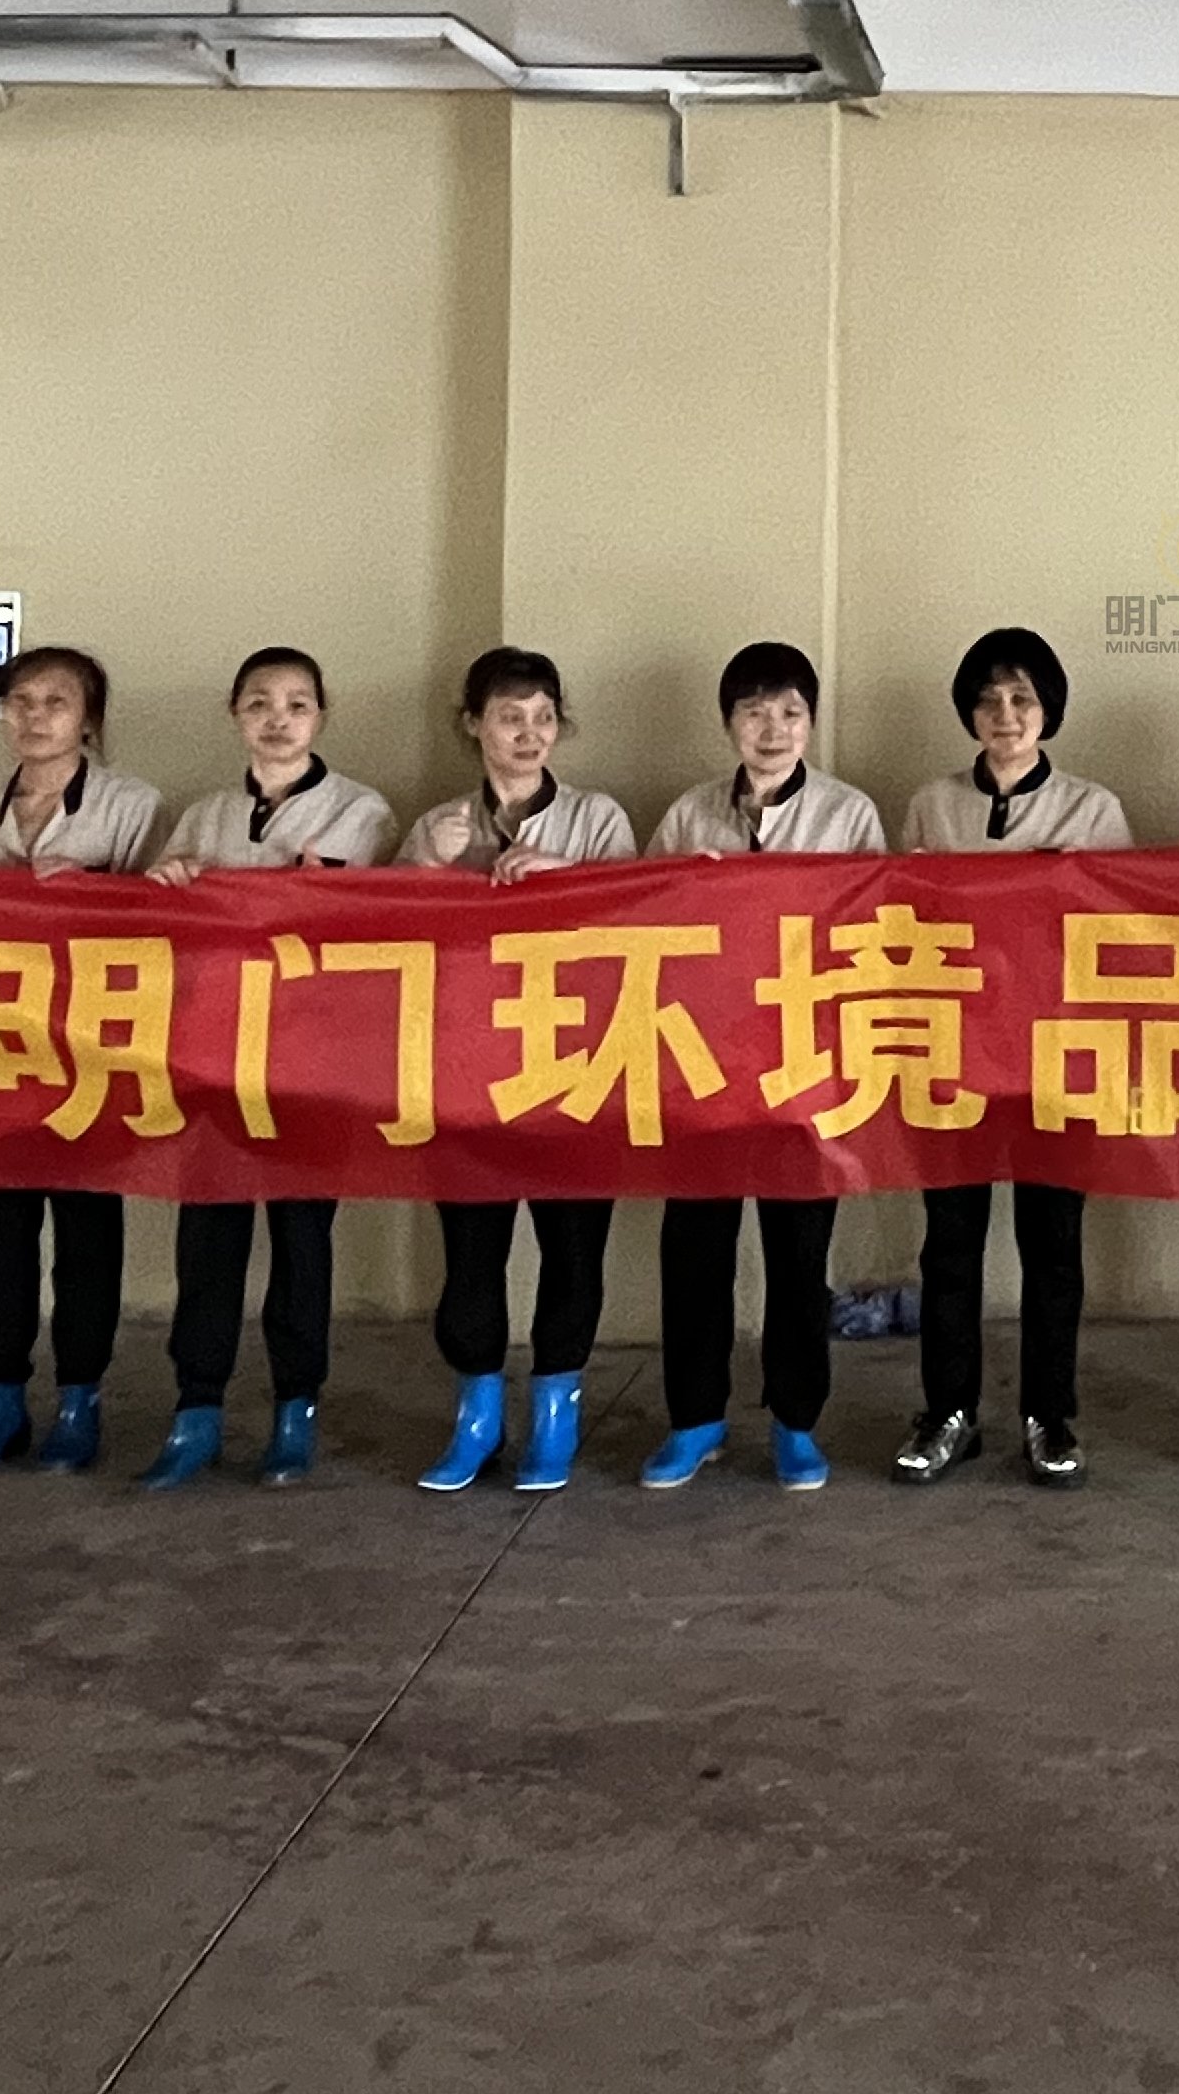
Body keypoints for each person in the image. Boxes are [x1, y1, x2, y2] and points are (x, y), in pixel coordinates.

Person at [134, 648, 395, 1494]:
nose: (278, 720)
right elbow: (165, 929)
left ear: (321, 715)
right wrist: (170, 882)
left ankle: (295, 1409)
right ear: (235, 714)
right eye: (259, 703)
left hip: (312, 1059)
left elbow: (365, 923)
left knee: (301, 1239)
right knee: (208, 1237)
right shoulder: (203, 816)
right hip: (212, 1055)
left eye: (296, 704)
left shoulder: (361, 811)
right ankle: (196, 1409)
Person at [642, 641, 885, 1492]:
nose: (772, 729)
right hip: (702, 1064)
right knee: (694, 1249)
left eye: (789, 712)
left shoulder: (850, 815)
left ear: (811, 723)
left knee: (798, 1251)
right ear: (728, 724)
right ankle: (695, 1420)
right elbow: (640, 928)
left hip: (804, 1067)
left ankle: (795, 1421)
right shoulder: (688, 816)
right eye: (754, 712)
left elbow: (873, 931)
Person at [893, 626, 1132, 1490]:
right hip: (952, 1054)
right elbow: (903, 921)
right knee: (949, 1244)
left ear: (1049, 711)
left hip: (1056, 1058)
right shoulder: (932, 805)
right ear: (969, 712)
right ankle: (949, 1411)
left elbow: (1119, 934)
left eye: (1023, 698)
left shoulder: (1094, 810)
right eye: (989, 699)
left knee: (1052, 1244)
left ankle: (1049, 1414)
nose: (1006, 714)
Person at [398, 647, 639, 1494]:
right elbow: (387, 940)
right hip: (468, 1069)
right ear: (474, 725)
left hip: (579, 1066)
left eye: (543, 718)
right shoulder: (435, 827)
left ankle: (557, 1413)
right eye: (509, 718)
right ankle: (476, 1415)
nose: (528, 734)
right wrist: (429, 873)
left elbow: (641, 916)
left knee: (573, 1245)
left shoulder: (598, 821)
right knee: (472, 1251)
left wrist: (564, 879)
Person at [0, 646, 162, 1473]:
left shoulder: (132, 807)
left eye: (56, 702)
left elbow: (168, 922)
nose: (34, 717)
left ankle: (79, 1400)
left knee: (86, 1233)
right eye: (20, 701)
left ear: (89, 719)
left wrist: (93, 888)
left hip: (94, 1051)